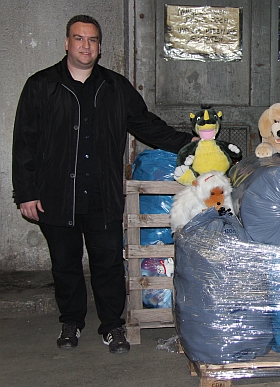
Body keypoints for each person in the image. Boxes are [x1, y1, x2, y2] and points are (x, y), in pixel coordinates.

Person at [12, 15, 197, 353]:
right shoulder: (41, 86)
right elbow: (25, 142)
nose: (86, 45)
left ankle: (112, 325)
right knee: (65, 264)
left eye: (92, 40)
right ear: (67, 43)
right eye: (79, 39)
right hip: (56, 195)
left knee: (108, 265)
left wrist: (193, 145)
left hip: (102, 195)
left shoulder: (115, 87)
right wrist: (26, 193)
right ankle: (71, 322)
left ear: (99, 47)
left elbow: (147, 126)